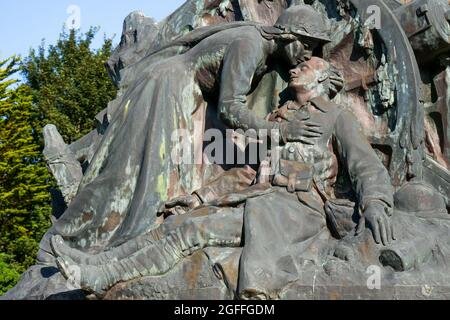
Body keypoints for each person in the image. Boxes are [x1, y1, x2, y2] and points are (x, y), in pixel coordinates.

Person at [53, 57, 395, 298]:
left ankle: (102, 278)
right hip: (261, 200)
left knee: (192, 229)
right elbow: (250, 171)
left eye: (304, 67)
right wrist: (201, 197)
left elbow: (366, 166)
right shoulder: (280, 119)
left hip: (295, 212)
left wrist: (377, 203)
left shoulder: (336, 118)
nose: (294, 68)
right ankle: (98, 260)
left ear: (321, 78)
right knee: (175, 223)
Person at [41, 6, 333, 257]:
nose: (308, 54)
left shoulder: (259, 43)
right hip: (171, 89)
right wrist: (280, 132)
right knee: (141, 175)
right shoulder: (250, 45)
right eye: (306, 45)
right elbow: (230, 108)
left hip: (185, 93)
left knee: (154, 173)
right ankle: (74, 236)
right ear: (287, 36)